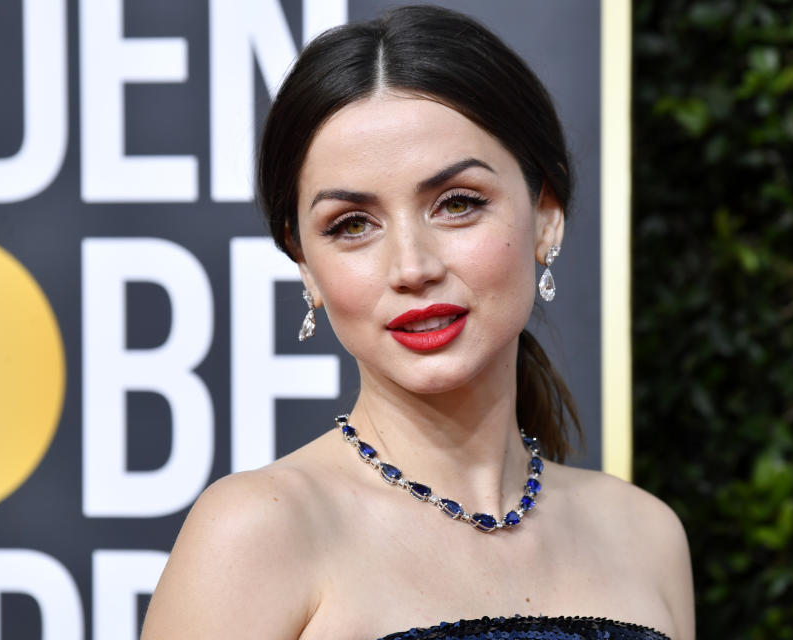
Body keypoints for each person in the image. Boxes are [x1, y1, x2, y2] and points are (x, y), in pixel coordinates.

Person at [141, 5, 694, 639]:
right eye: (352, 225)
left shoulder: (646, 535)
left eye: (457, 204)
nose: (412, 266)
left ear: (546, 215)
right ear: (306, 266)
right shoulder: (256, 532)